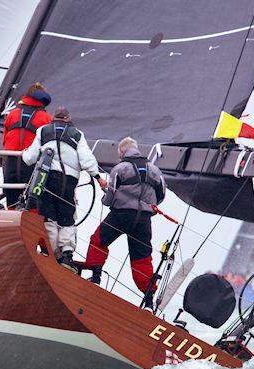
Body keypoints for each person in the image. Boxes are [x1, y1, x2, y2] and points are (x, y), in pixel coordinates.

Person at [84, 137, 166, 310]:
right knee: (141, 258)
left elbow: (111, 194)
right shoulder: (155, 170)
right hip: (143, 219)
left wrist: (105, 201)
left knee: (98, 241)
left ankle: (96, 278)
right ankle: (149, 301)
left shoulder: (120, 169)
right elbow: (161, 194)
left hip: (121, 215)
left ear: (121, 152)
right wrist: (149, 207)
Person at [22, 106, 107, 271]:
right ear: (68, 118)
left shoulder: (43, 131)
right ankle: (67, 256)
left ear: (54, 118)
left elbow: (30, 158)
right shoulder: (77, 134)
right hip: (68, 182)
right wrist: (98, 178)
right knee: (67, 218)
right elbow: (86, 158)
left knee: (49, 217)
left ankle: (51, 254)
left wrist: (24, 153)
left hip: (47, 179)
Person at [2, 83, 52, 207]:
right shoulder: (47, 119)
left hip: (10, 165)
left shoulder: (12, 115)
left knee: (12, 204)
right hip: (32, 167)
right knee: (33, 204)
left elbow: (4, 141)